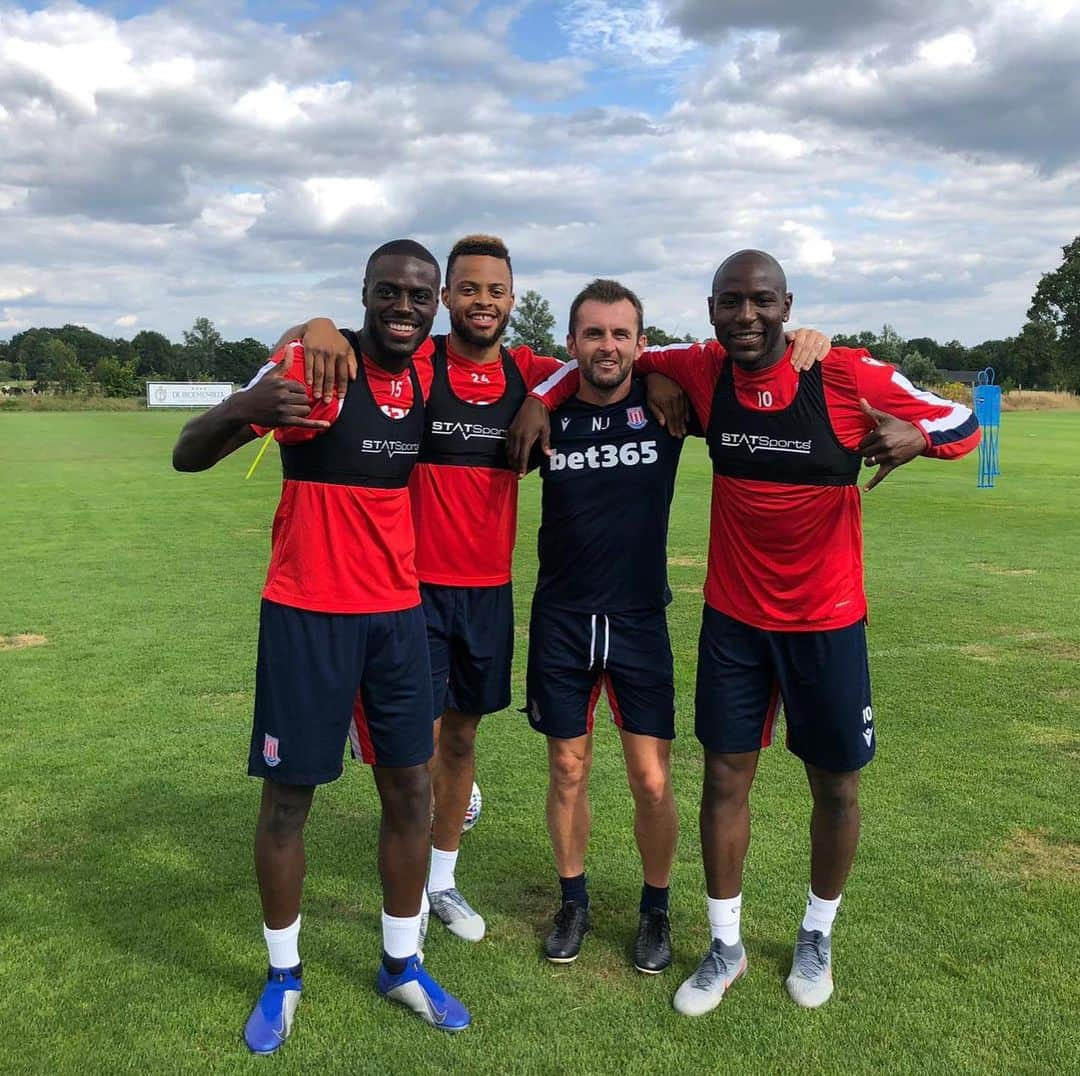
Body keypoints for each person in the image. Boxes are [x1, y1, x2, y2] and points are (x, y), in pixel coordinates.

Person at [519, 250, 979, 1012]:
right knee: (725, 781)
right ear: (710, 309)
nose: (747, 316)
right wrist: (542, 396)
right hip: (734, 619)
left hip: (827, 621)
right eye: (731, 302)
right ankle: (725, 944)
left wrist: (918, 440)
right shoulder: (701, 370)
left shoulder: (843, 373)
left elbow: (959, 420)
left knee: (834, 784)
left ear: (787, 303)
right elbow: (614, 358)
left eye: (762, 301)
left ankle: (816, 932)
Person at [171, 240, 471, 1053]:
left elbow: (520, 360)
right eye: (389, 294)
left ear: (436, 301)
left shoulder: (431, 373)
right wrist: (247, 404)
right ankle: (283, 976)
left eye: (419, 296)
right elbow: (186, 454)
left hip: (398, 620)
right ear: (365, 296)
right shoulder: (313, 371)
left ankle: (400, 964)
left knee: (412, 793)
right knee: (290, 800)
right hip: (307, 615)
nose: (404, 309)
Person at [273, 235, 567, 946]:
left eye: (495, 291)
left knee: (462, 739)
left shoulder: (530, 373)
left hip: (488, 590)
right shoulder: (417, 360)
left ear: (513, 301)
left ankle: (441, 882)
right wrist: (310, 326)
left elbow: (601, 363)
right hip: (407, 590)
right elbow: (314, 344)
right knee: (417, 752)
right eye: (468, 289)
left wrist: (544, 400)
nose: (482, 302)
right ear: (446, 299)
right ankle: (406, 896)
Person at [524, 278, 687, 973]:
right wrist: (538, 397)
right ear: (572, 343)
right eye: (594, 333)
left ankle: (656, 910)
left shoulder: (666, 405)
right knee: (567, 768)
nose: (608, 345)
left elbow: (706, 358)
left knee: (651, 780)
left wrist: (655, 375)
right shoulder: (547, 413)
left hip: (639, 617)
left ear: (641, 343)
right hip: (561, 617)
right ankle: (574, 900)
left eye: (622, 334)